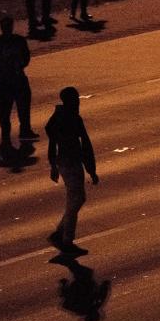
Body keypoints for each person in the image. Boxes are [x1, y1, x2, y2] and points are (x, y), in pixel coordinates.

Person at [46, 87, 98, 256]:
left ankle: (61, 232)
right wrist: (91, 169)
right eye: (75, 98)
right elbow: (85, 144)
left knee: (75, 197)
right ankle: (66, 239)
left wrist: (53, 165)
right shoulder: (72, 118)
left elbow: (52, 142)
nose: (78, 101)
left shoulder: (58, 117)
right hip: (72, 162)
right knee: (76, 198)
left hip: (65, 162)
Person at [0, 16, 36, 155]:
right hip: (11, 80)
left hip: (9, 80)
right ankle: (13, 133)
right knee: (7, 111)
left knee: (19, 107)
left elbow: (26, 58)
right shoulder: (15, 41)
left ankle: (21, 130)